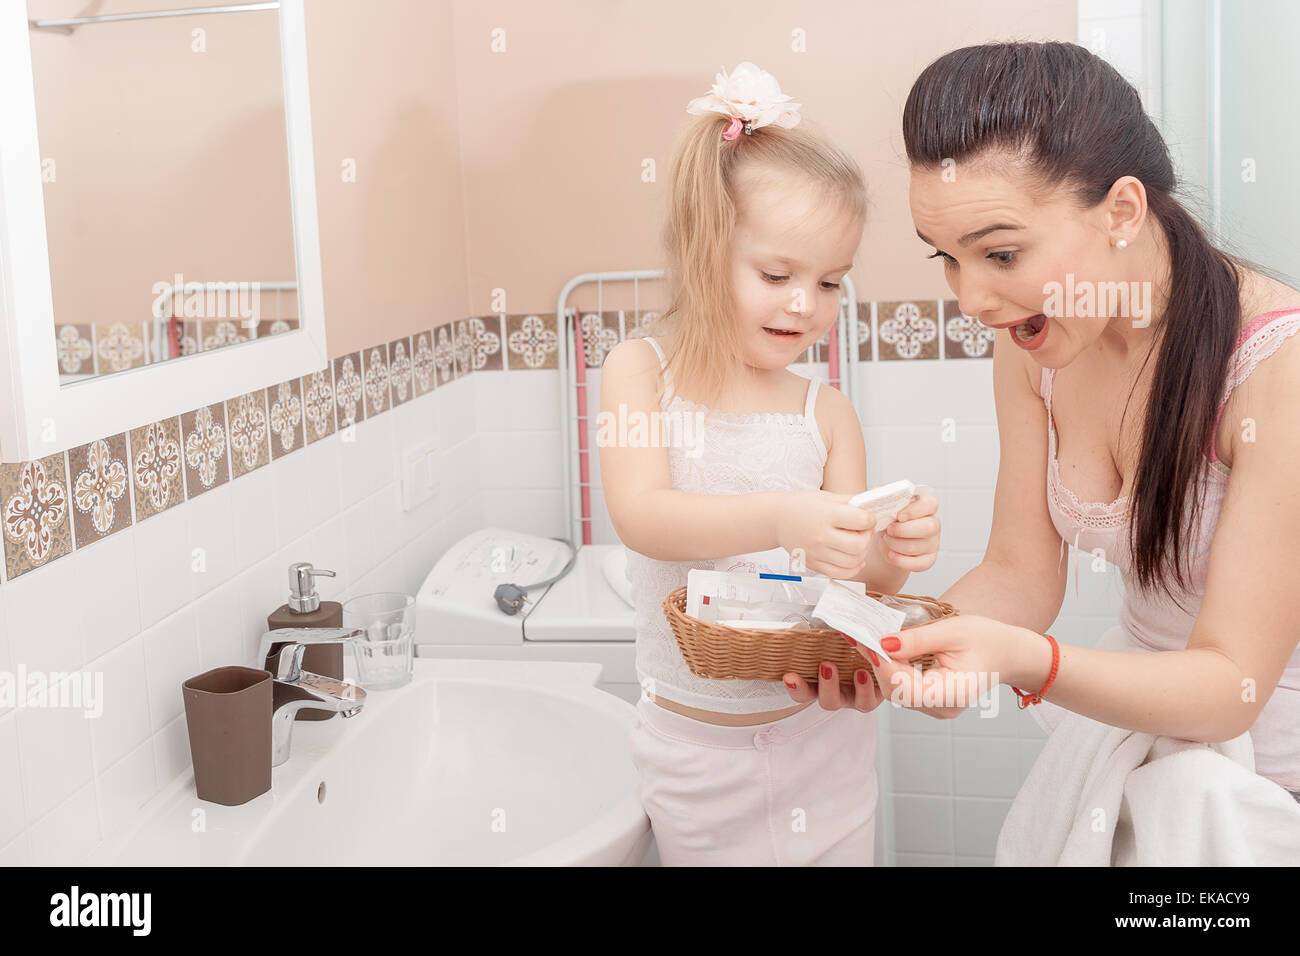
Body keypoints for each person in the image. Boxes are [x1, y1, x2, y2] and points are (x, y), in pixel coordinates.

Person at [785, 41, 1300, 837]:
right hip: (1147, 748)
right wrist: (895, 646)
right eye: (948, 260)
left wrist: (1024, 660)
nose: (973, 299)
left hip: (1270, 783)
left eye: (1000, 253)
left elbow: (1231, 687)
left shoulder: (1277, 371)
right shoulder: (1036, 343)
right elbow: (1021, 572)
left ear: (1123, 210)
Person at [598, 62, 941, 865]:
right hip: (694, 752)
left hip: (821, 743)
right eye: (777, 275)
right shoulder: (639, 371)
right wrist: (784, 516)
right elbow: (642, 516)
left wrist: (890, 556)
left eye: (829, 282)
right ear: (704, 248)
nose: (804, 304)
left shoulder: (826, 413)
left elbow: (848, 579)